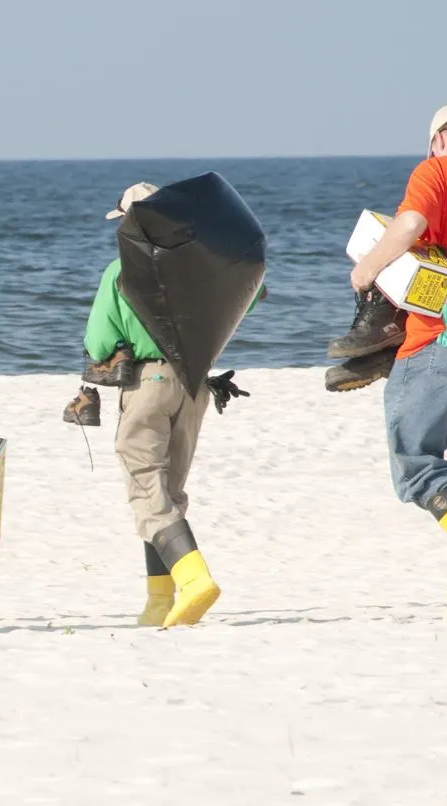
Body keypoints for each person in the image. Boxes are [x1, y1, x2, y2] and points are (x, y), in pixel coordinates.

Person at [68, 183, 260, 628]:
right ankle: (159, 600)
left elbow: (97, 342)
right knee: (167, 494)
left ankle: (193, 578)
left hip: (147, 382)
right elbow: (245, 299)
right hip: (195, 383)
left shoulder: (119, 273)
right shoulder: (199, 269)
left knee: (146, 489)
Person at [345, 102, 447, 612]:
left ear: (438, 138)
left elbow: (411, 222)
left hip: (443, 340)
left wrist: (368, 267)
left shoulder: (438, 170)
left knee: (415, 460)